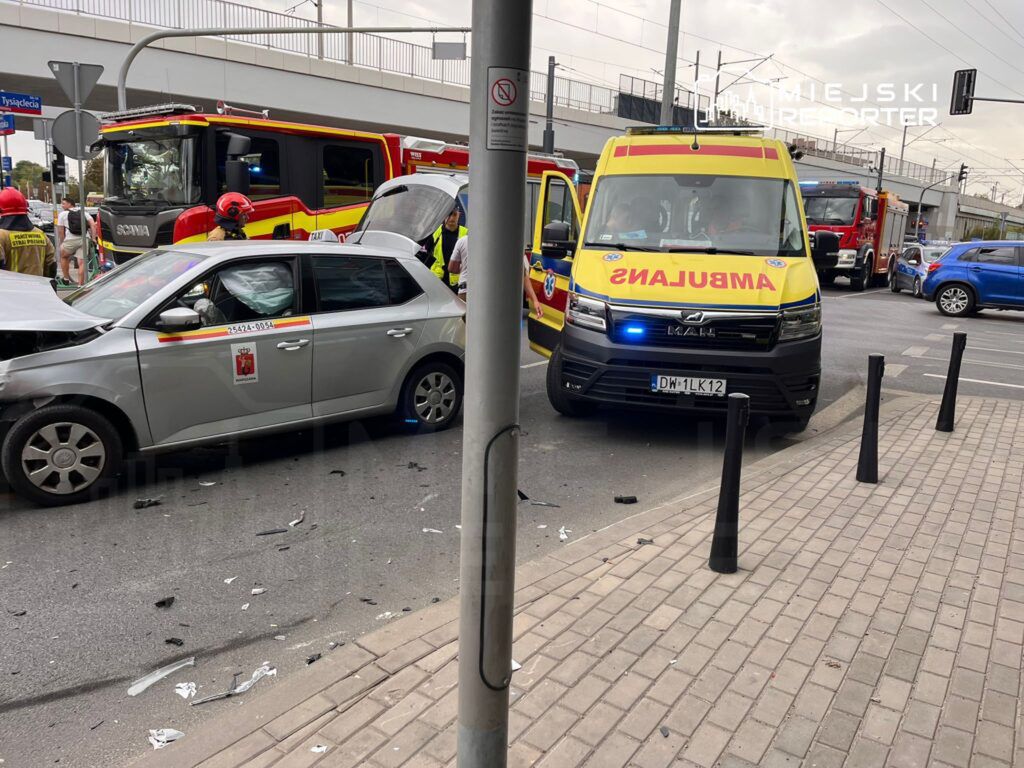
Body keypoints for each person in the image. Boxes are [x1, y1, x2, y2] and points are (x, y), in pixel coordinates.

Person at [447, 233, 543, 319]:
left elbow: (451, 268)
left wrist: (466, 267)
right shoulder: (508, 243)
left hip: (466, 292)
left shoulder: (463, 241)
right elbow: (523, 274)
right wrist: (535, 300)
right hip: (493, 296)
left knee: (464, 334)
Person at [0, 187, 55, 277]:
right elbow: (51, 265)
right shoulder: (40, 234)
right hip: (39, 288)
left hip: (12, 289)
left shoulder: (2, 235)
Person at [56, 196, 94, 287]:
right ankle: (80, 285)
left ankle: (66, 279)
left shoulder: (63, 214)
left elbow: (61, 231)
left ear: (70, 204)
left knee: (64, 257)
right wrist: (93, 238)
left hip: (70, 239)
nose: (62, 205)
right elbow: (93, 225)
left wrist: (62, 242)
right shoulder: (84, 212)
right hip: (84, 239)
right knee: (82, 262)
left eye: (63, 203)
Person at [430, 207, 467, 292]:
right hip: (437, 280)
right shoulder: (435, 233)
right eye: (448, 215)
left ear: (459, 215)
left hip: (458, 283)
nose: (451, 218)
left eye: (454, 214)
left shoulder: (466, 233)